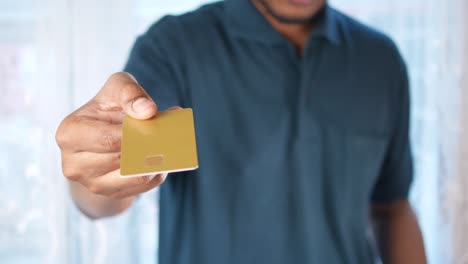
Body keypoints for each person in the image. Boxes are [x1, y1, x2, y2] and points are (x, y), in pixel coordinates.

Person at [55, 0, 427, 263]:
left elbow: (392, 207)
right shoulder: (173, 46)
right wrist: (95, 174)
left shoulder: (380, 59)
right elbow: (111, 193)